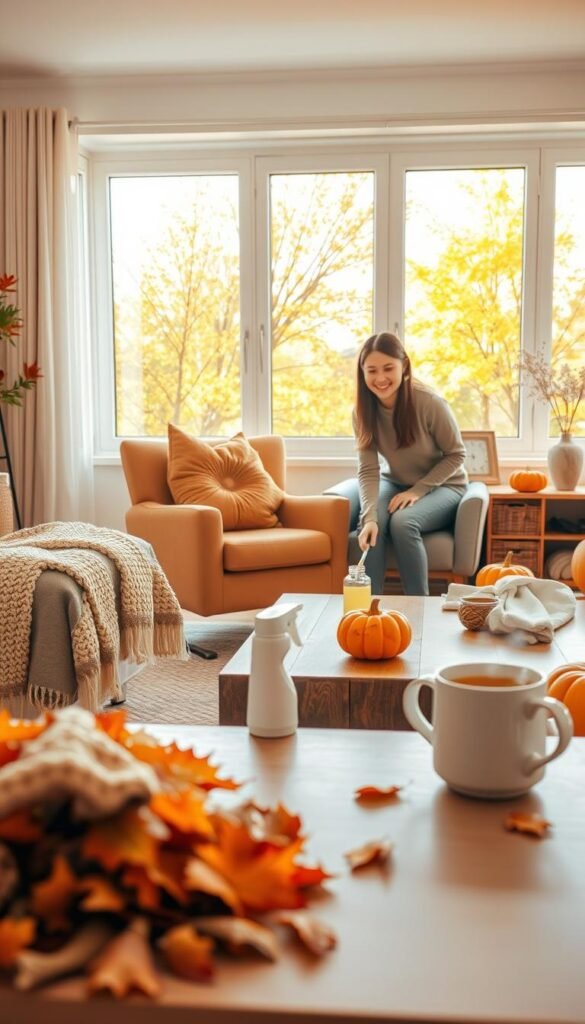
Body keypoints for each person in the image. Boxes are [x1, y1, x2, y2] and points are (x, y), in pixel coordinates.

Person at [353, 331, 468, 596]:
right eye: (372, 370)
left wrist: (418, 490)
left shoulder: (430, 403)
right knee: (372, 523)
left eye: (388, 368)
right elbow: (369, 469)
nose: (380, 378)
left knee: (404, 523)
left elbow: (456, 455)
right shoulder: (361, 412)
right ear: (362, 373)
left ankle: (420, 606)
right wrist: (370, 515)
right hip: (394, 483)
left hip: (445, 486)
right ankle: (369, 607)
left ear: (404, 366)